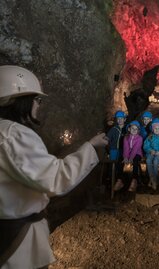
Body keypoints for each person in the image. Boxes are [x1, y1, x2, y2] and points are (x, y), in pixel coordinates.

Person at [0, 65, 108, 269]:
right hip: (18, 240)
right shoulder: (15, 134)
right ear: (21, 101)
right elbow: (55, 179)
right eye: (37, 100)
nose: (39, 106)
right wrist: (91, 147)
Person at [114, 120, 143, 192]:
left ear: (138, 130)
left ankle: (134, 180)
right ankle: (119, 180)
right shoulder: (126, 137)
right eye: (132, 128)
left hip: (137, 153)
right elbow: (125, 148)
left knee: (135, 161)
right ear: (129, 129)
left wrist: (131, 158)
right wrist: (125, 157)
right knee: (120, 160)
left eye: (136, 129)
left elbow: (135, 149)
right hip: (128, 154)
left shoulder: (140, 138)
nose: (134, 130)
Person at [143, 118, 159, 190]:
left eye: (158, 128)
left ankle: (154, 179)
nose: (157, 130)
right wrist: (150, 150)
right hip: (151, 154)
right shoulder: (149, 137)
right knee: (148, 160)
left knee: (155, 161)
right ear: (152, 129)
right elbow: (145, 146)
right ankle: (152, 178)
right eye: (155, 128)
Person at [106, 110, 127, 188]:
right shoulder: (113, 129)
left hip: (122, 150)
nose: (120, 120)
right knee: (112, 166)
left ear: (124, 119)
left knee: (120, 165)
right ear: (116, 119)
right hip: (113, 149)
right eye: (118, 118)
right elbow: (107, 139)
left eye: (122, 118)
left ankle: (119, 181)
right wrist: (108, 150)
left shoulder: (127, 129)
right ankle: (111, 182)